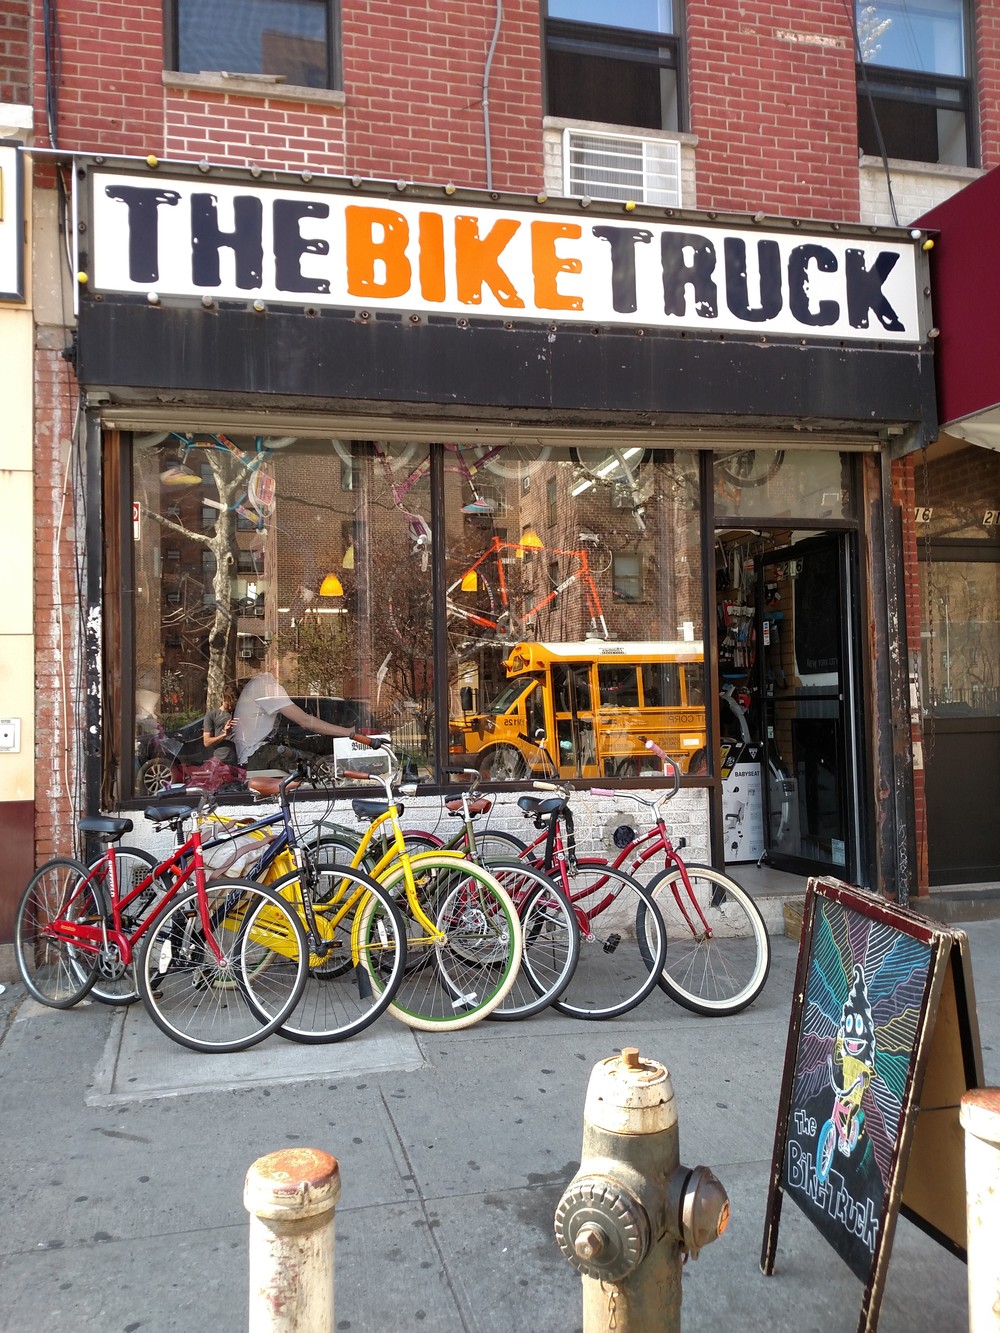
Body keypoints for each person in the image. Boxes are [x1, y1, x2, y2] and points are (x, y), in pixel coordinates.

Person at [233, 671, 359, 770]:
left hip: (251, 756)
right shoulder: (266, 686)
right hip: (257, 754)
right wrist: (349, 732)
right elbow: (305, 721)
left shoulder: (256, 684)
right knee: (319, 766)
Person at [203, 684, 239, 764]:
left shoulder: (239, 713)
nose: (230, 707)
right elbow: (206, 742)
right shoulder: (212, 715)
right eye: (228, 704)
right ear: (222, 698)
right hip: (221, 762)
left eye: (233, 705)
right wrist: (224, 734)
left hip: (241, 759)